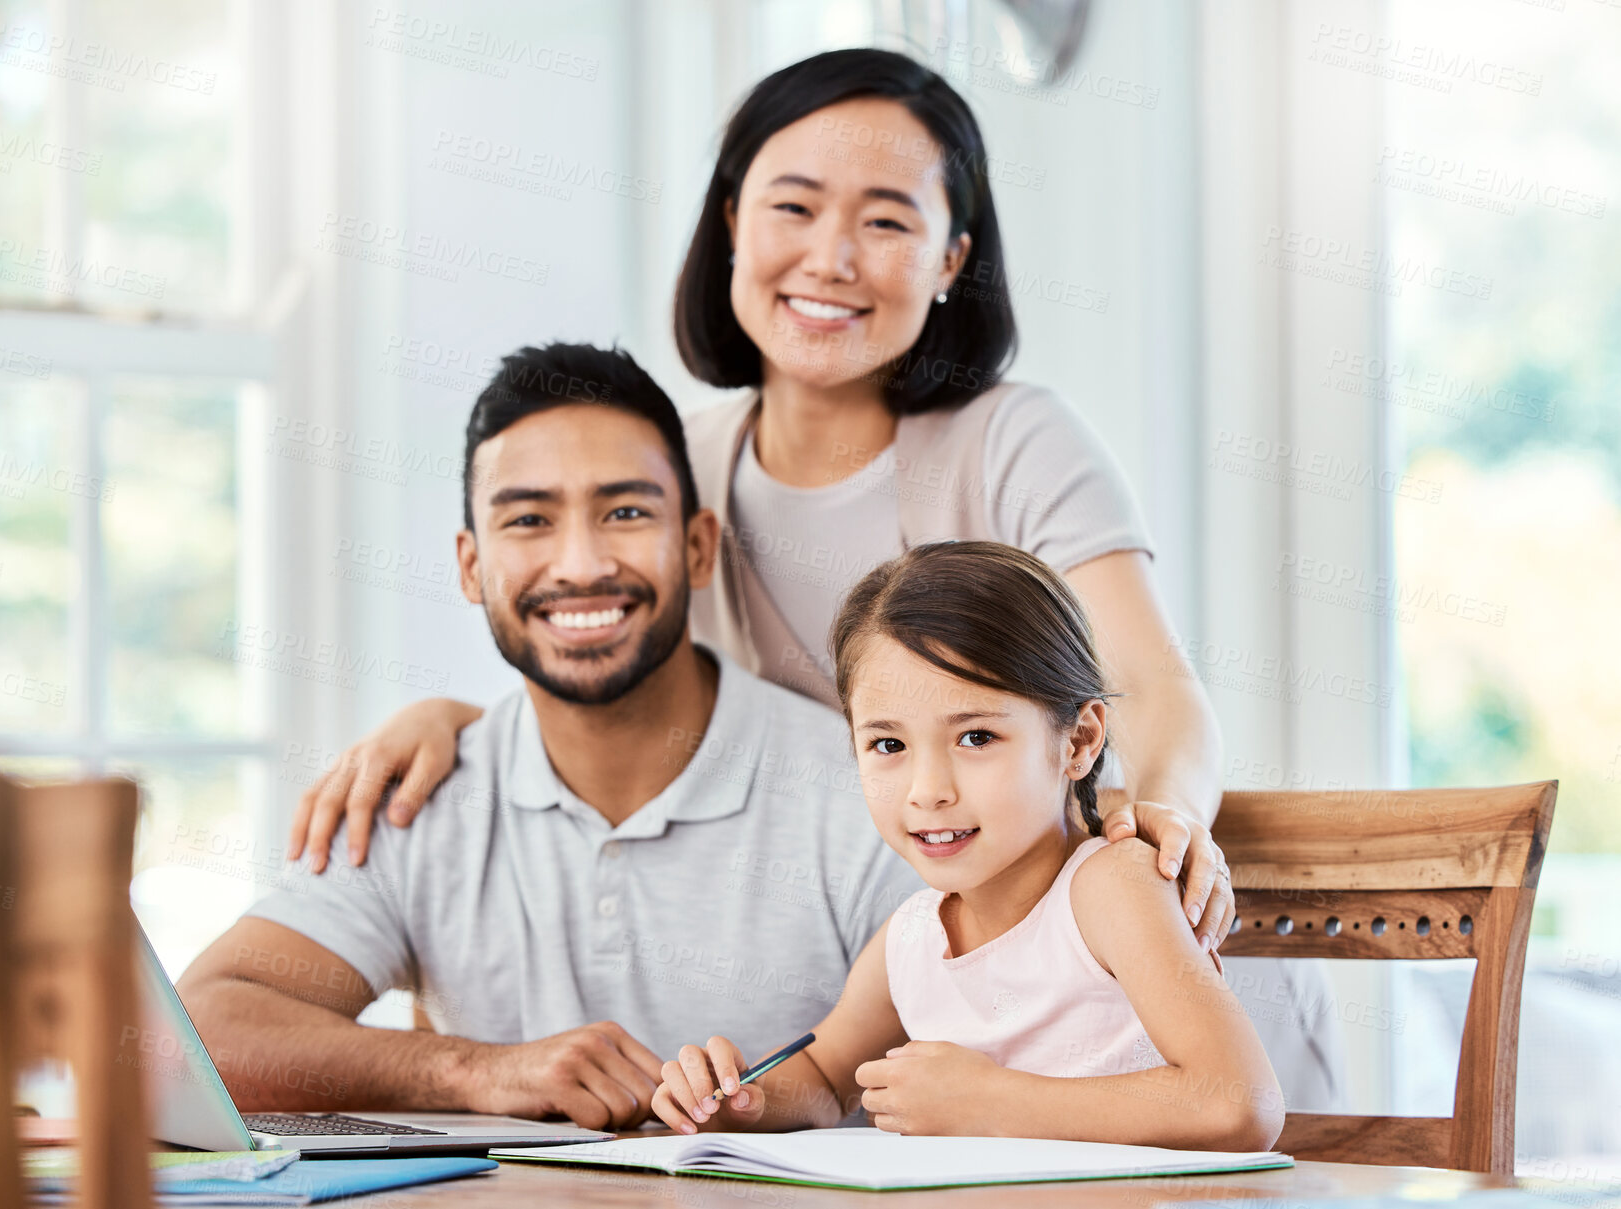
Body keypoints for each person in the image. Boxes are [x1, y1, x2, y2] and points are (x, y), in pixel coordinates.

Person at [286, 48, 1341, 1106]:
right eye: (794, 207)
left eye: (886, 221)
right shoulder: (684, 468)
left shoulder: (1012, 441)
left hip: (1116, 993)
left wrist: (1158, 823)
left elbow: (1150, 689)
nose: (832, 258)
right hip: (942, 979)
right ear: (733, 224)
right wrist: (453, 723)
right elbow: (597, 640)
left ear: (948, 258)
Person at [176, 343, 924, 1129]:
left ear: (698, 546)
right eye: (529, 519)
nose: (581, 563)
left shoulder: (866, 790)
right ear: (471, 567)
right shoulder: (421, 795)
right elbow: (195, 1034)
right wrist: (473, 1069)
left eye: (626, 512)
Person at [652, 542, 1282, 1148]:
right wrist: (741, 1101)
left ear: (1079, 742)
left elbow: (1238, 1104)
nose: (928, 791)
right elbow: (823, 1079)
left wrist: (995, 1101)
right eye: (888, 745)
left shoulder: (1112, 888)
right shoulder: (912, 934)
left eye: (976, 737)